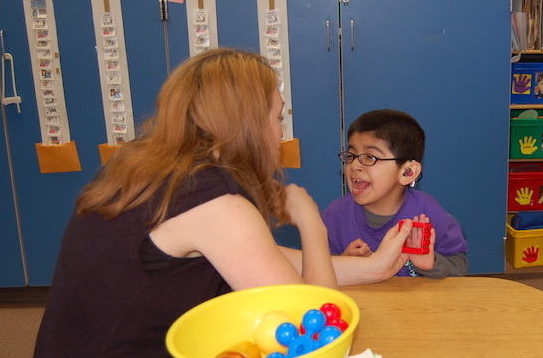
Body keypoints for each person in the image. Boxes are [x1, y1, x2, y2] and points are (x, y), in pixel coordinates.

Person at [33, 49, 416, 358]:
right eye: (277, 116)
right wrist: (311, 224)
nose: (279, 132)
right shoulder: (214, 202)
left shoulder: (146, 166)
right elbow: (312, 331)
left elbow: (257, 256)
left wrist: (372, 268)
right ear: (249, 122)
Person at [322, 109, 468, 278]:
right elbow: (318, 272)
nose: (355, 165)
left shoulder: (430, 215)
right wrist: (344, 263)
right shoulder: (335, 216)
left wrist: (431, 263)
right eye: (351, 155)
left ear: (407, 172)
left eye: (370, 157)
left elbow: (459, 267)